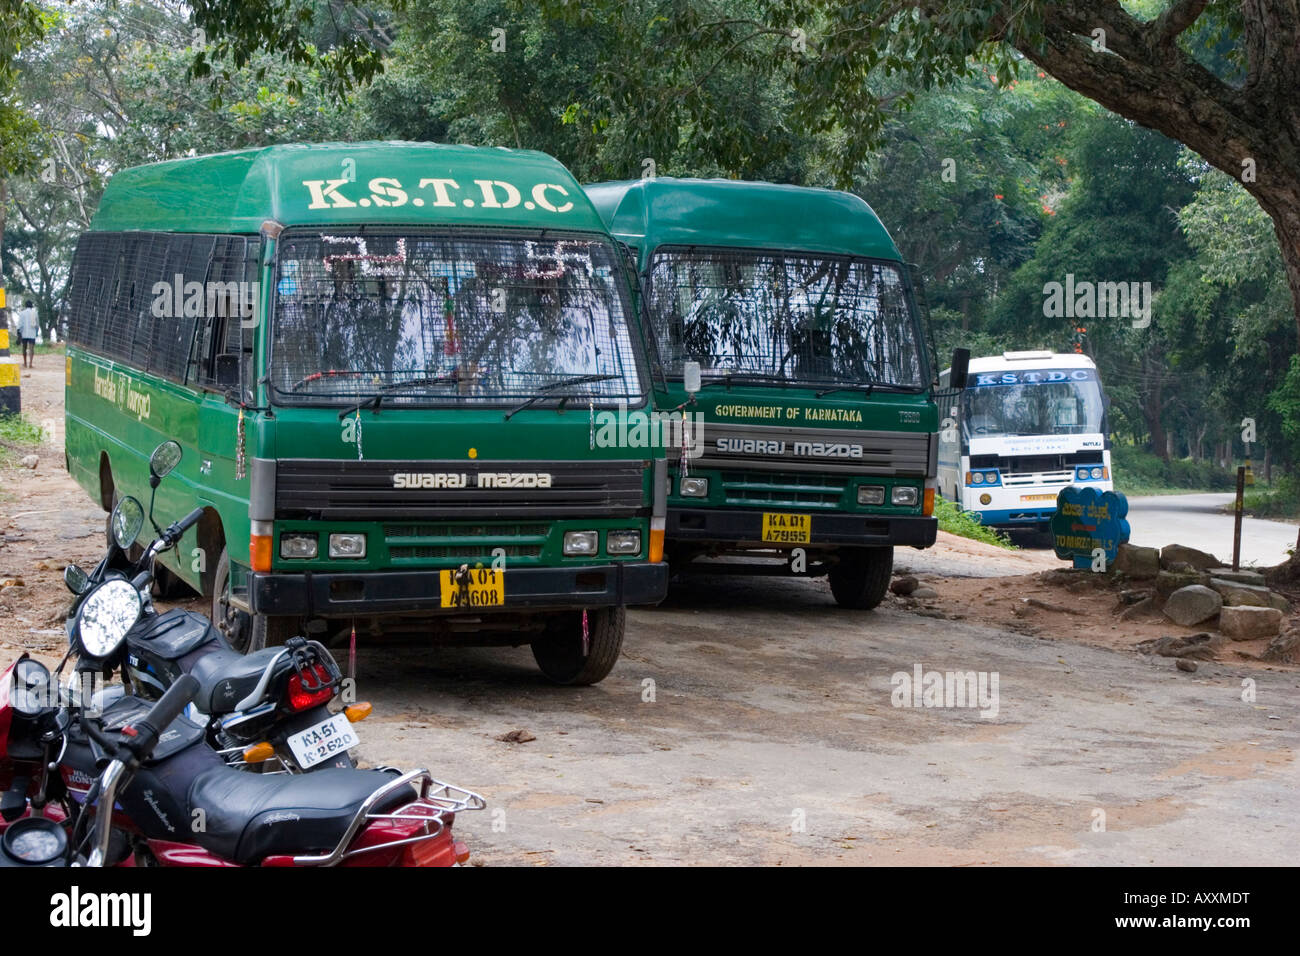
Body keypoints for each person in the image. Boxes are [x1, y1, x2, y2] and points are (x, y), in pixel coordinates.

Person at [17, 299, 38, 368]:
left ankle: (25, 363)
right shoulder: (35, 313)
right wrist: (36, 332)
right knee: (31, 348)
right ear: (32, 305)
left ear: (25, 305)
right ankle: (30, 364)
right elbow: (37, 324)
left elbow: (20, 324)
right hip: (32, 333)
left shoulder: (22, 313)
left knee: (24, 348)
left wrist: (18, 332)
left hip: (24, 333)